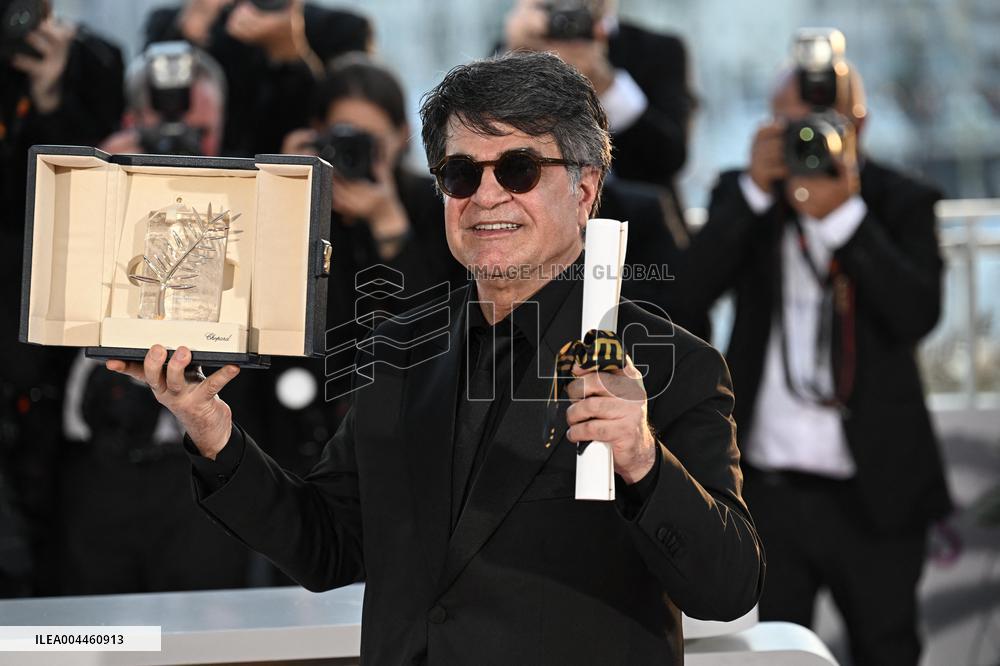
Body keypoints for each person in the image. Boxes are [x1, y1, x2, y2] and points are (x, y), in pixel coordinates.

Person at [107, 51, 763, 664]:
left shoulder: (668, 362)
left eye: (518, 170)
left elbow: (728, 590)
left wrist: (643, 461)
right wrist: (214, 432)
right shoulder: (399, 349)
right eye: (460, 173)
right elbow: (327, 545)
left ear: (586, 191)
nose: (486, 196)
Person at [679, 59, 952, 665]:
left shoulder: (898, 200)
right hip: (765, 487)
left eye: (819, 124)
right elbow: (682, 296)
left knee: (888, 646)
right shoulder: (746, 195)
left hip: (874, 489)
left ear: (859, 122)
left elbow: (917, 313)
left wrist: (845, 219)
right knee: (764, 652)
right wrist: (752, 192)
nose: (803, 139)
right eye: (788, 123)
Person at [0, 1, 124, 597]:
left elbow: (71, 198)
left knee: (43, 562)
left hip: (49, 350)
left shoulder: (93, 62)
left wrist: (51, 97)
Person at [503, 0, 696, 228]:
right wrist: (514, 57)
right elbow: (492, 140)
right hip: (540, 223)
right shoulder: (519, 46)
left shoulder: (658, 49)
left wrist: (605, 82)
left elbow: (671, 155)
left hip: (641, 230)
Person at [143, 0, 371, 156]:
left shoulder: (342, 30)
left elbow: (347, 122)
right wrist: (187, 36)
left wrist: (293, 56)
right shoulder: (174, 23)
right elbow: (143, 111)